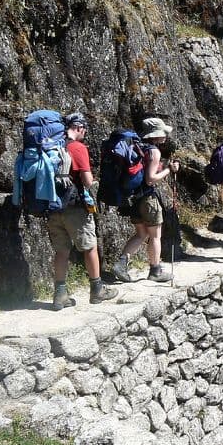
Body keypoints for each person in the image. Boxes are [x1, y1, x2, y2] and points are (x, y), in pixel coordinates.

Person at [47, 113, 118, 310]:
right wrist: (93, 180)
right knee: (89, 247)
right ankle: (97, 289)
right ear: (78, 128)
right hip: (75, 207)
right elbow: (86, 181)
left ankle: (59, 295)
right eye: (84, 129)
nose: (85, 133)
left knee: (61, 251)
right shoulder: (77, 148)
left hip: (53, 207)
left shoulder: (53, 146)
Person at [112, 117, 179, 282]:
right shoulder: (154, 151)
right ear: (155, 135)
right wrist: (169, 170)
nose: (165, 136)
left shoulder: (137, 147)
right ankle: (155, 270)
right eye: (163, 132)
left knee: (141, 234)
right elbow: (150, 179)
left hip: (134, 198)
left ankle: (121, 264)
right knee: (155, 235)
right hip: (148, 198)